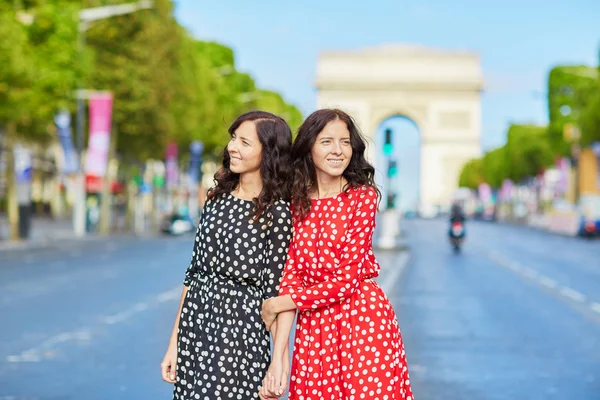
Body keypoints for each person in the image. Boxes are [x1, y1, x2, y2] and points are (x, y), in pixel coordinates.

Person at [259, 109, 414, 400]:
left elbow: (345, 281)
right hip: (313, 333)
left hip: (363, 324)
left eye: (345, 142)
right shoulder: (295, 202)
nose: (338, 150)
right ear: (309, 147)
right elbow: (291, 275)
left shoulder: (362, 197)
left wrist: (280, 302)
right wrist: (278, 358)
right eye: (327, 141)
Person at [160, 111, 294, 400]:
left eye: (245, 142)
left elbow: (278, 293)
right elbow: (193, 275)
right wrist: (174, 343)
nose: (233, 147)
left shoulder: (277, 212)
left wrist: (278, 360)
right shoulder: (216, 200)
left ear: (267, 152)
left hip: (240, 336)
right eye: (234, 138)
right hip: (195, 328)